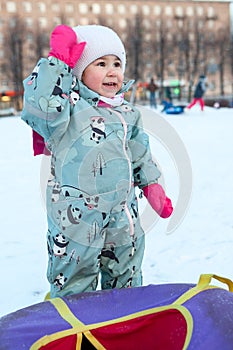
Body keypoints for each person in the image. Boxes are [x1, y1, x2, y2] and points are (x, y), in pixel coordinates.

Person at [21, 24, 173, 298]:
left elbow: (140, 152)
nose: (112, 70)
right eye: (100, 63)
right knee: (75, 283)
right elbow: (41, 107)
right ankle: (73, 329)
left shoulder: (128, 112)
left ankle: (125, 323)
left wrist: (152, 186)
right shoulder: (67, 109)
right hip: (77, 218)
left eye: (117, 63)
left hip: (124, 215)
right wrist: (57, 64)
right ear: (79, 71)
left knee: (126, 277)